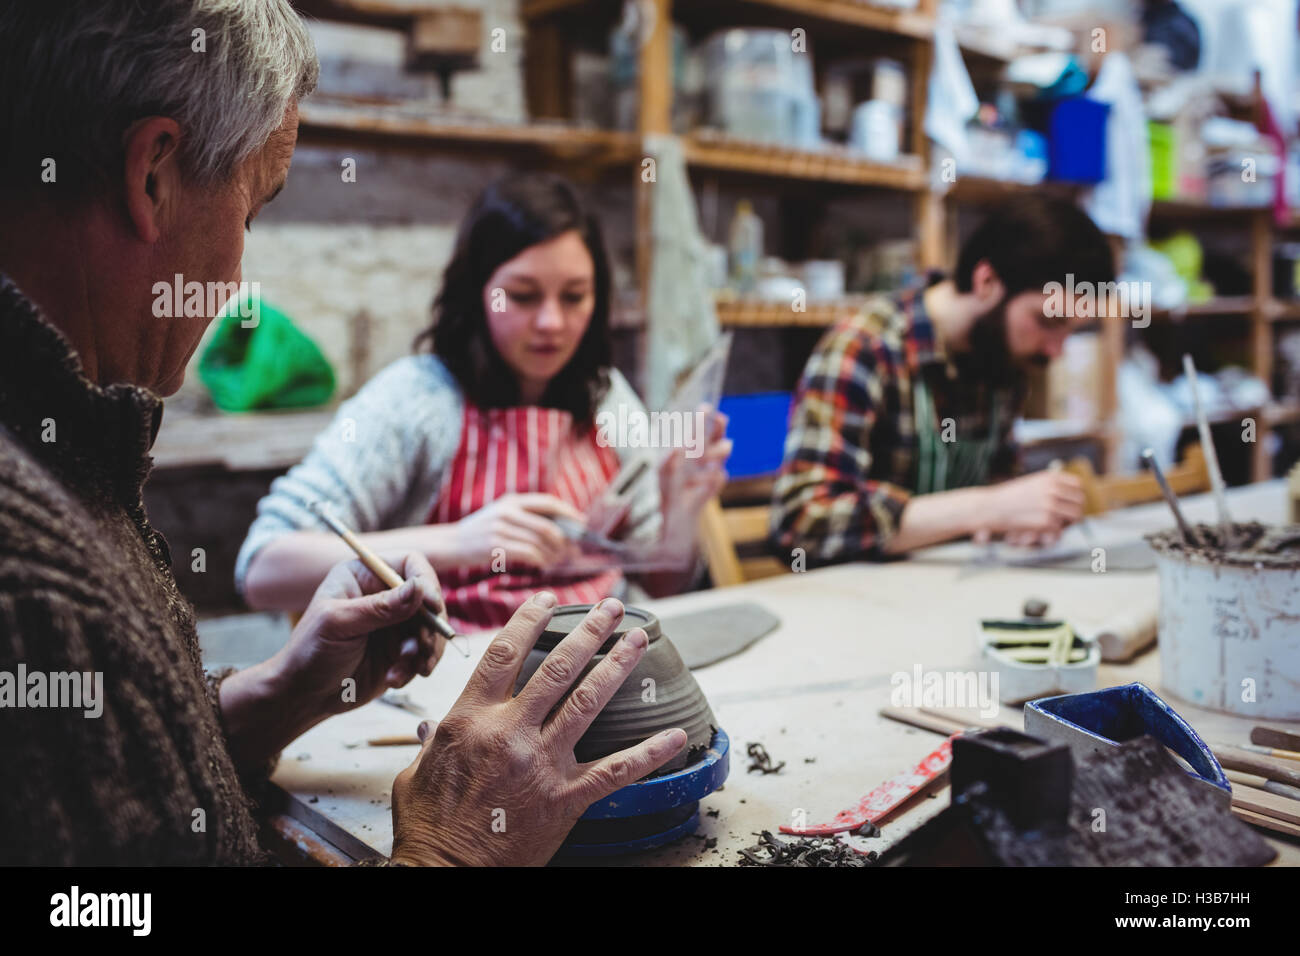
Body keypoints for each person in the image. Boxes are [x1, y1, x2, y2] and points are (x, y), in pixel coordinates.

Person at [0, 0, 685, 866]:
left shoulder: (68, 458)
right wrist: (453, 845)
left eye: (576, 297)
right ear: (152, 177)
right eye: (250, 211)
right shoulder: (32, 586)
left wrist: (276, 698)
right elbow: (260, 564)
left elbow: (128, 780)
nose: (236, 272)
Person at [238, 172, 730, 630]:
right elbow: (262, 568)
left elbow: (663, 584)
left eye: (575, 296)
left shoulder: (609, 399)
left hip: (601, 670)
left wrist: (680, 510)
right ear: (479, 293)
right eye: (522, 296)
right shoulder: (418, 399)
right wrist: (459, 543)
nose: (552, 324)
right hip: (452, 683)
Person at [771, 196, 1114, 563]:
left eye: (1071, 332)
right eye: (1048, 322)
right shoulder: (865, 349)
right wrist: (984, 509)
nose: (1055, 351)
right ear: (987, 281)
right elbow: (801, 524)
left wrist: (1022, 516)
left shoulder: (1001, 358)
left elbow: (999, 483)